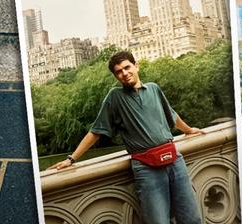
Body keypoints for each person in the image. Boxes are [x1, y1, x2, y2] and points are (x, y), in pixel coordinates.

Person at [50, 51, 204, 224]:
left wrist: (189, 130)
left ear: (136, 66)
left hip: (174, 160)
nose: (124, 73)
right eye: (118, 71)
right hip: (146, 168)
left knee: (192, 219)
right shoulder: (115, 97)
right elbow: (96, 131)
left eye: (127, 67)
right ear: (116, 76)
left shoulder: (154, 88)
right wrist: (71, 159)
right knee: (158, 221)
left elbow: (172, 116)